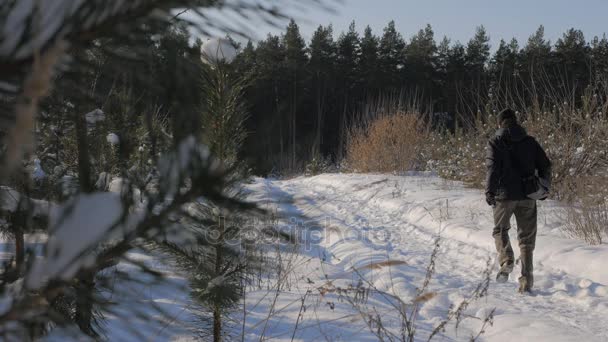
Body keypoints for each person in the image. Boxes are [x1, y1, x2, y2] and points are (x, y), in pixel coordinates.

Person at [485, 108, 552, 293]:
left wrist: (489, 192)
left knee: (500, 230)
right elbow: (545, 164)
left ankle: (506, 259)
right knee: (527, 239)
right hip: (528, 195)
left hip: (503, 196)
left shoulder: (495, 142)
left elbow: (492, 169)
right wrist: (544, 187)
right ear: (516, 121)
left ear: (499, 123)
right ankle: (526, 281)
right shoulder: (530, 141)